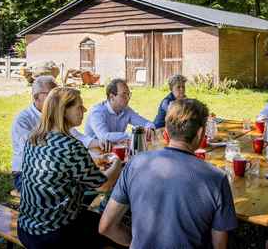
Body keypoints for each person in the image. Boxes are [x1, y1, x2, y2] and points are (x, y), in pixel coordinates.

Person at [99, 99, 238, 248]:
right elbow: (220, 246)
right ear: (200, 133)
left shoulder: (135, 164)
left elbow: (106, 227)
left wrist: (136, 242)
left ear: (166, 132)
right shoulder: (216, 178)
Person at [17, 87, 122, 249]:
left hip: (26, 228)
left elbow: (58, 166)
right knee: (113, 228)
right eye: (79, 107)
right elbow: (104, 185)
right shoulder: (71, 146)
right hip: (54, 234)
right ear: (63, 110)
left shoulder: (35, 138)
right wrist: (117, 162)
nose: (84, 110)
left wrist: (94, 161)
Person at [11, 76, 102, 192]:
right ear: (36, 97)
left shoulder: (59, 124)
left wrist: (101, 144)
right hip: (24, 174)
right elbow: (39, 156)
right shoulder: (23, 120)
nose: (58, 98)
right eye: (51, 95)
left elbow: (78, 137)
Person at [84, 78, 155, 143]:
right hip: (94, 152)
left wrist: (150, 129)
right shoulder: (97, 112)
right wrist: (133, 135)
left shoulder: (126, 109)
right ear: (112, 97)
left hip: (113, 150)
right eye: (124, 95)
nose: (128, 98)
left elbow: (146, 123)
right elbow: (104, 137)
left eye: (128, 94)